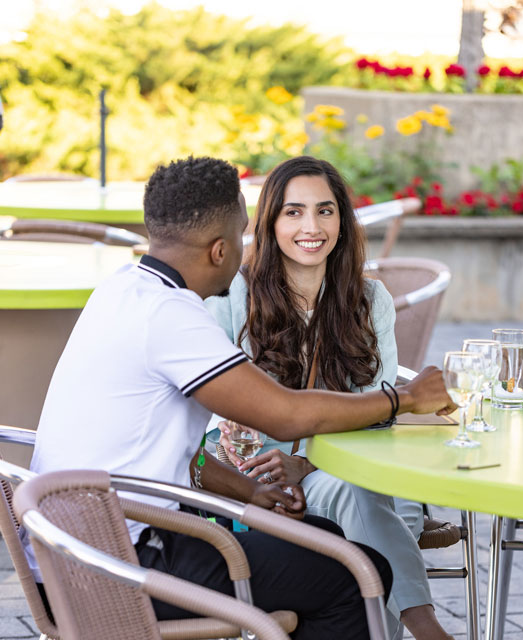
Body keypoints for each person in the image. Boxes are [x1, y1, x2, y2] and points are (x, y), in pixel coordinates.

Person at [26, 156, 456, 640]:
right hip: (119, 564)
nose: (244, 251)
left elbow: (176, 450)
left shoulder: (122, 291)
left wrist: (251, 492)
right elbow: (286, 414)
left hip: (71, 547)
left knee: (333, 545)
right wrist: (404, 399)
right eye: (241, 235)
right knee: (356, 576)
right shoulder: (173, 316)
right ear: (218, 250)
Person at [206, 155, 454, 640]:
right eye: (293, 212)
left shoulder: (368, 300)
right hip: (257, 480)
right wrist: (275, 471)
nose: (311, 226)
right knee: (363, 501)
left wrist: (311, 463)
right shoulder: (231, 298)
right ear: (270, 221)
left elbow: (380, 413)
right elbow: (215, 419)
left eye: (325, 210)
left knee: (361, 492)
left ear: (342, 220)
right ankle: (426, 627)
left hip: (353, 468)